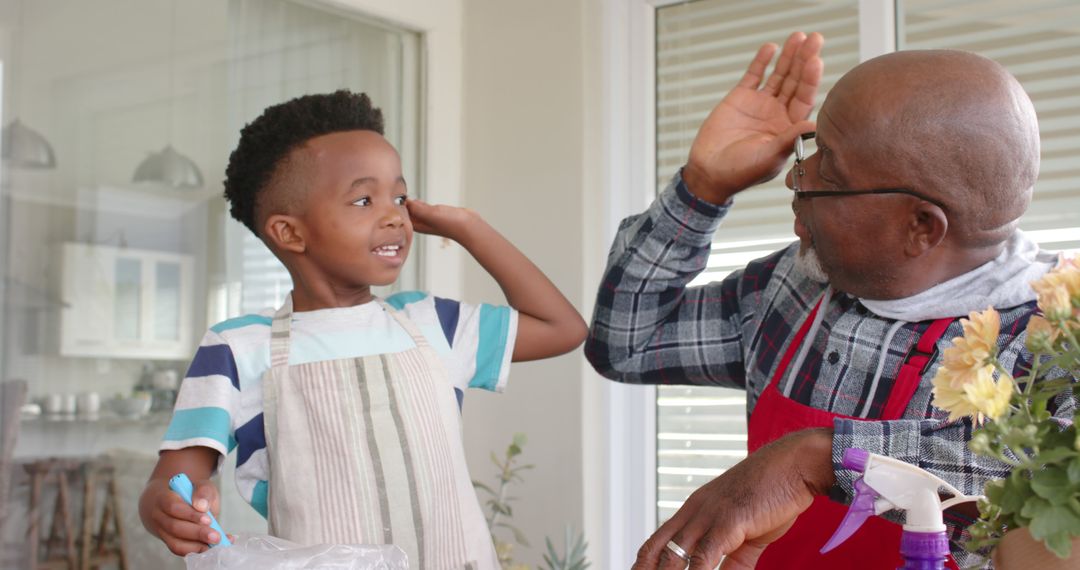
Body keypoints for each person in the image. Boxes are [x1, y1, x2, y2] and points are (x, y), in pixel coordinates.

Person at [585, 32, 1074, 569]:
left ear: (919, 227)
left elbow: (1040, 491)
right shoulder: (794, 288)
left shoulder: (1056, 336)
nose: (795, 177)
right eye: (811, 147)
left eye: (830, 171)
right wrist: (702, 187)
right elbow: (625, 344)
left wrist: (820, 456)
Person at [138, 90, 587, 569]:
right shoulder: (239, 349)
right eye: (364, 199)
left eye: (399, 196)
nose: (395, 215)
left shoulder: (433, 324)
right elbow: (171, 479)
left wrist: (468, 227)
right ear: (290, 232)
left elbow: (563, 328)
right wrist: (166, 509)